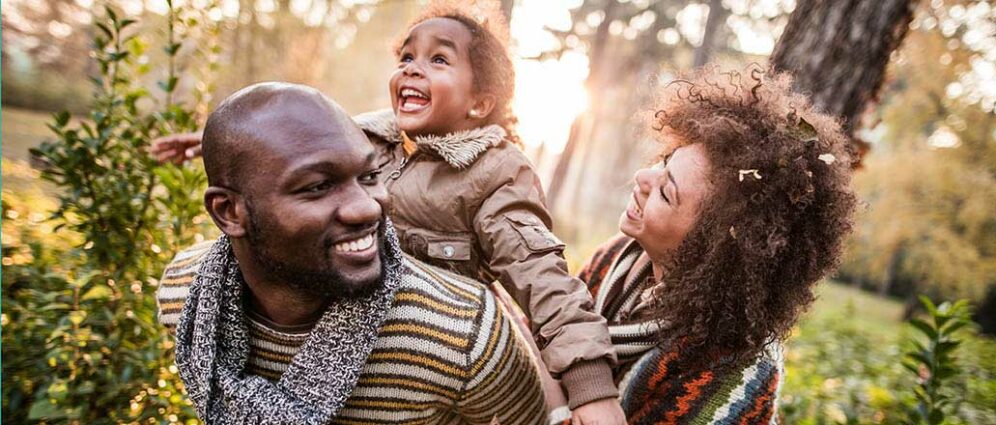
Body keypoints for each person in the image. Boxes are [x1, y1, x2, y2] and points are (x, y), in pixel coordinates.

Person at [152, 2, 622, 423]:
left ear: (480, 102)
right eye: (406, 57)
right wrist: (209, 144)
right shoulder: (371, 138)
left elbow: (542, 277)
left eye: (439, 59)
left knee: (547, 403)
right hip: (347, 301)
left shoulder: (494, 172)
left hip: (441, 320)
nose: (414, 69)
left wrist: (590, 388)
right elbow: (281, 147)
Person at [156, 82, 547, 424]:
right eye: (317, 187)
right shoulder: (184, 297)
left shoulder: (464, 333)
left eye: (369, 177)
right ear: (229, 211)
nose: (367, 208)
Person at [576, 67, 857, 424]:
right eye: (664, 163)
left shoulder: (736, 374)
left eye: (666, 192)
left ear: (709, 247)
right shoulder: (618, 257)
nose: (642, 178)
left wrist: (556, 388)